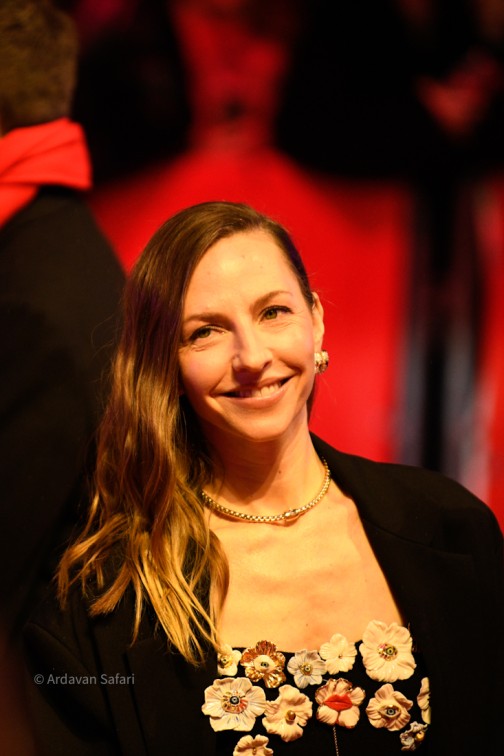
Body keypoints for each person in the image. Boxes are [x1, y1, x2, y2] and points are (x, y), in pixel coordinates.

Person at [23, 201, 502, 755]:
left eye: (273, 312)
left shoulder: (451, 527)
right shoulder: (106, 599)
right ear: (165, 363)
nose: (251, 357)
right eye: (205, 331)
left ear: (315, 320)